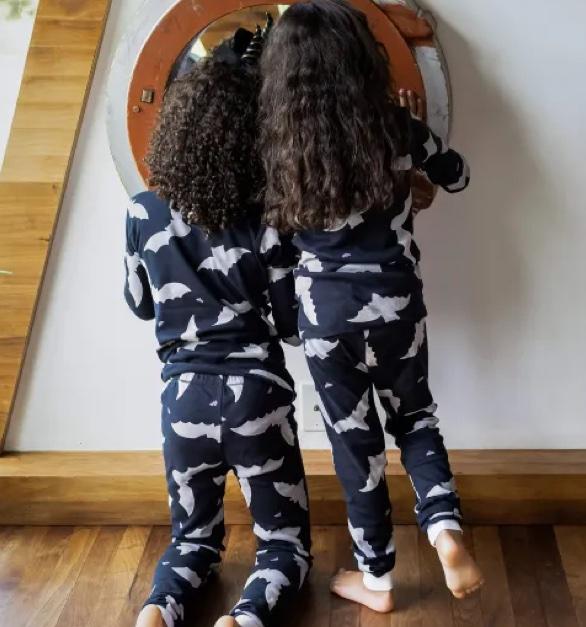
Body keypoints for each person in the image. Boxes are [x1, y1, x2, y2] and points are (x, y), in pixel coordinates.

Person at [258, 0, 481, 610]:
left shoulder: (279, 152)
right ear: (362, 60)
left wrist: (290, 326)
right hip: (396, 303)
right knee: (416, 419)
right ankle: (444, 529)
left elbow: (275, 253)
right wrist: (418, 157)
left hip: (323, 314)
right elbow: (456, 176)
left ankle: (377, 580)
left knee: (355, 444)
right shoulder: (395, 129)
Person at [125, 42, 311, 627]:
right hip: (257, 394)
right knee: (284, 544)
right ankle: (246, 617)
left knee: (192, 541)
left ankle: (159, 608)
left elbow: (137, 302)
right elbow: (290, 324)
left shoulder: (142, 211)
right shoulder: (268, 215)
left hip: (183, 399)